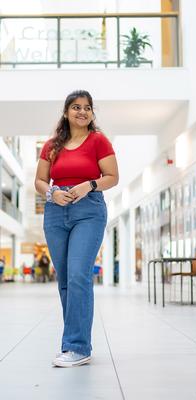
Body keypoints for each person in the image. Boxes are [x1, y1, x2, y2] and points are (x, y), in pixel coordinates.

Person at [34, 90, 118, 368]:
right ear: (67, 112)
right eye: (75, 107)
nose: (82, 111)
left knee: (80, 275)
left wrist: (89, 184)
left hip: (88, 210)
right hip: (56, 211)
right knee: (66, 280)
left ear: (92, 113)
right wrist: (52, 194)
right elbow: (40, 181)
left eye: (87, 107)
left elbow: (112, 177)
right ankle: (75, 342)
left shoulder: (98, 141)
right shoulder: (51, 145)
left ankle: (77, 346)